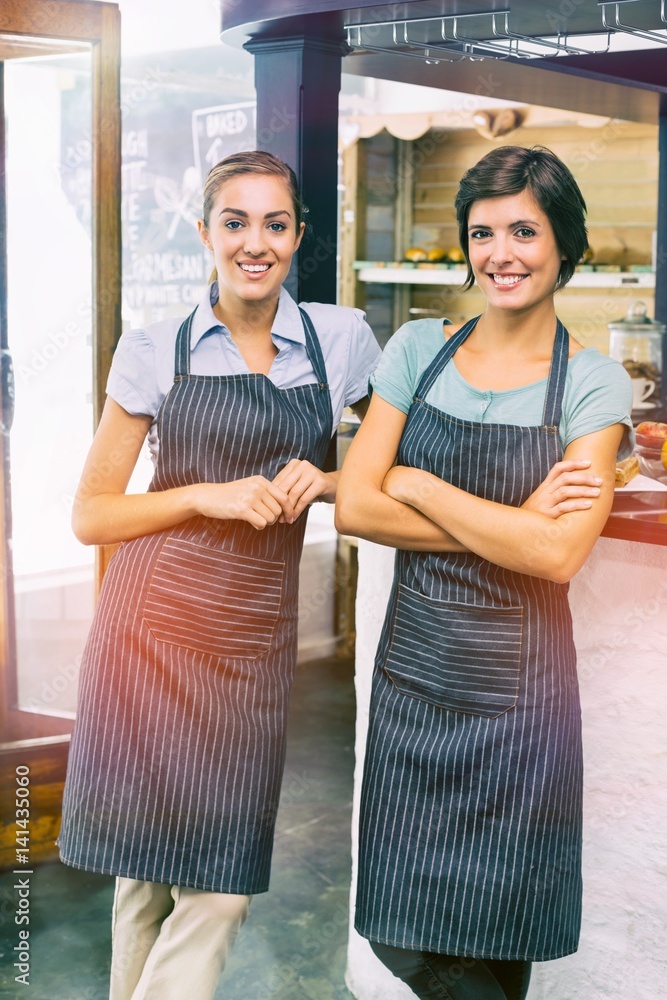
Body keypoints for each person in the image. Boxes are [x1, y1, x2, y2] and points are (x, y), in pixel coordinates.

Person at [58, 149, 381, 1000]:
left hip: (249, 639)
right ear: (205, 232)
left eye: (275, 224)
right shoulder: (155, 347)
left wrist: (337, 477)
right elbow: (93, 515)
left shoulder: (340, 341)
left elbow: (401, 464)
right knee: (145, 877)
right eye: (234, 222)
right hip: (152, 630)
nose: (254, 242)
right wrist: (206, 495)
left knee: (220, 886)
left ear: (299, 237)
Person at [336, 145, 633, 1000]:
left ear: (563, 244)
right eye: (481, 232)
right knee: (406, 937)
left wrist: (419, 482)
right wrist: (509, 522)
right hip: (414, 690)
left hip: (518, 713)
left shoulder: (591, 383)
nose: (499, 252)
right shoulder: (416, 349)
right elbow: (356, 508)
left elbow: (556, 553)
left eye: (522, 230)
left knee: (502, 943)